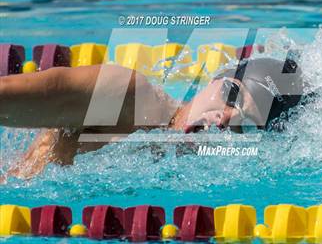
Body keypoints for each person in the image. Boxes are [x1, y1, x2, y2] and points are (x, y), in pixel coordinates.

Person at [0, 57, 304, 179]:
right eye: (231, 95)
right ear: (216, 78)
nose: (225, 119)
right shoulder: (127, 95)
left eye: (245, 124)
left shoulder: (184, 171)